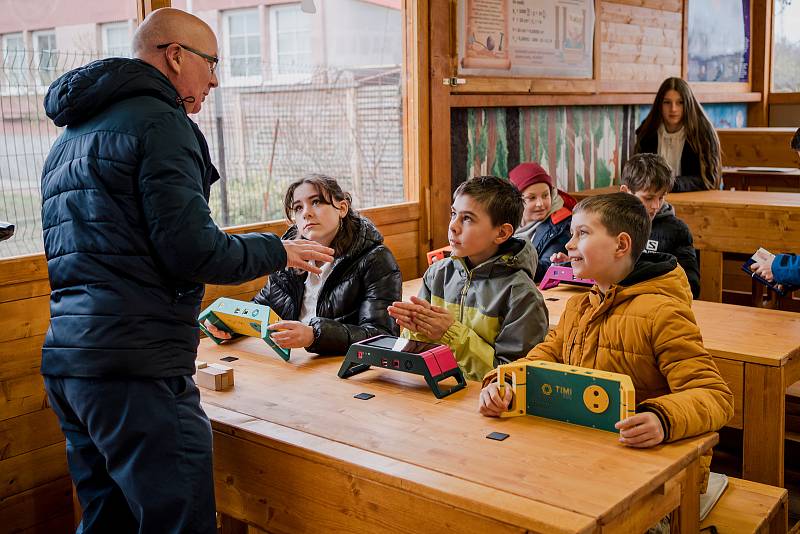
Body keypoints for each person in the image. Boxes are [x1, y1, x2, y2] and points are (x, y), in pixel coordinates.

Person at [39, 9, 333, 534]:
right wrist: (278, 251)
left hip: (71, 359)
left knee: (106, 519)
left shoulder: (70, 136)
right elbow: (192, 250)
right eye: (212, 63)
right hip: (137, 366)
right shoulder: (160, 122)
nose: (216, 79)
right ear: (174, 56)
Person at [479, 193, 732, 485]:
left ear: (621, 245)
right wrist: (504, 383)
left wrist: (662, 420)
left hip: (652, 469)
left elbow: (715, 395)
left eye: (582, 233)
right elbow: (544, 355)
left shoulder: (664, 313)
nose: (569, 244)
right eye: (571, 233)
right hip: (586, 453)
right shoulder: (580, 306)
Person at [205, 174, 402, 354]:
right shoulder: (286, 257)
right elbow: (262, 309)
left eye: (316, 202)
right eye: (298, 208)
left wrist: (314, 335)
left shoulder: (376, 259)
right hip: (295, 368)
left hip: (344, 371)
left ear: (342, 208)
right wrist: (231, 325)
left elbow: (382, 336)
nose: (306, 213)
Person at [388, 176, 549, 382]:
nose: (453, 226)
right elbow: (420, 358)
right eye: (454, 214)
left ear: (501, 233)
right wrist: (416, 330)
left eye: (467, 219)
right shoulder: (437, 275)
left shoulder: (521, 294)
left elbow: (514, 378)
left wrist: (450, 332)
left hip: (487, 403)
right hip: (437, 392)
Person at [620, 153, 700, 298]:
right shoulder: (608, 225)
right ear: (626, 192)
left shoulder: (677, 230)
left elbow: (691, 286)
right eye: (648, 198)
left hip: (659, 305)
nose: (656, 206)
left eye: (662, 197)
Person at [635, 77, 722, 192]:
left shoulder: (703, 133)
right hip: (654, 199)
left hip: (695, 199)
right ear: (659, 105)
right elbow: (638, 173)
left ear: (688, 103)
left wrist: (673, 184)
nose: (673, 109)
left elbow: (709, 180)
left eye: (680, 102)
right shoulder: (647, 131)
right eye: (667, 102)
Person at [508, 162, 576, 282]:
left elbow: (547, 269)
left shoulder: (560, 225)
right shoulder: (507, 222)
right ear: (516, 200)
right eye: (532, 198)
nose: (540, 204)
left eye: (545, 195)